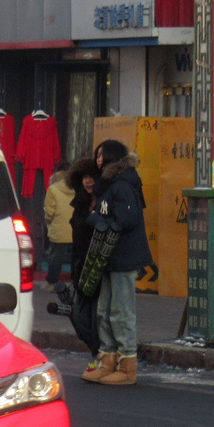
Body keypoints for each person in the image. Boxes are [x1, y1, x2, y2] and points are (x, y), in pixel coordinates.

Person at [80, 139, 152, 386]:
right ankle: (107, 360)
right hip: (109, 255)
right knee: (105, 310)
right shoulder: (110, 185)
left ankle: (127, 364)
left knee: (121, 311)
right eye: (97, 155)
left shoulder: (122, 184)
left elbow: (128, 218)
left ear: (112, 157)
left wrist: (99, 218)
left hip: (123, 255)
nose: (98, 160)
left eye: (102, 155)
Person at [42, 162, 73, 287]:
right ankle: (75, 282)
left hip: (58, 226)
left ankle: (52, 282)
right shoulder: (76, 186)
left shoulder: (53, 188)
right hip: (74, 226)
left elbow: (49, 211)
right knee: (76, 256)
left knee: (56, 256)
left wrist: (48, 221)